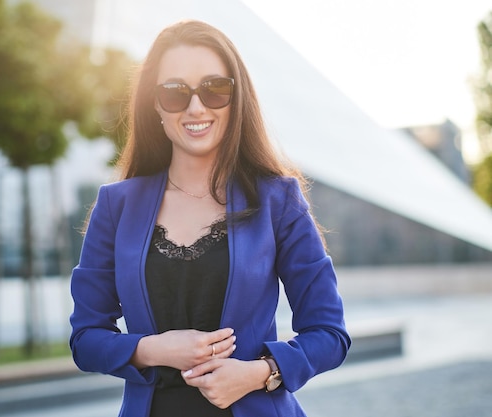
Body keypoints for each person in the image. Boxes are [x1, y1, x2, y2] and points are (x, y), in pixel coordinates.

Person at [69, 19, 350, 417]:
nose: (196, 106)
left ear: (237, 99)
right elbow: (85, 338)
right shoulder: (116, 206)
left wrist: (260, 373)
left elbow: (330, 333)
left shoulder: (278, 200)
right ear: (155, 103)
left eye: (214, 89)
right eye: (175, 92)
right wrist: (153, 349)